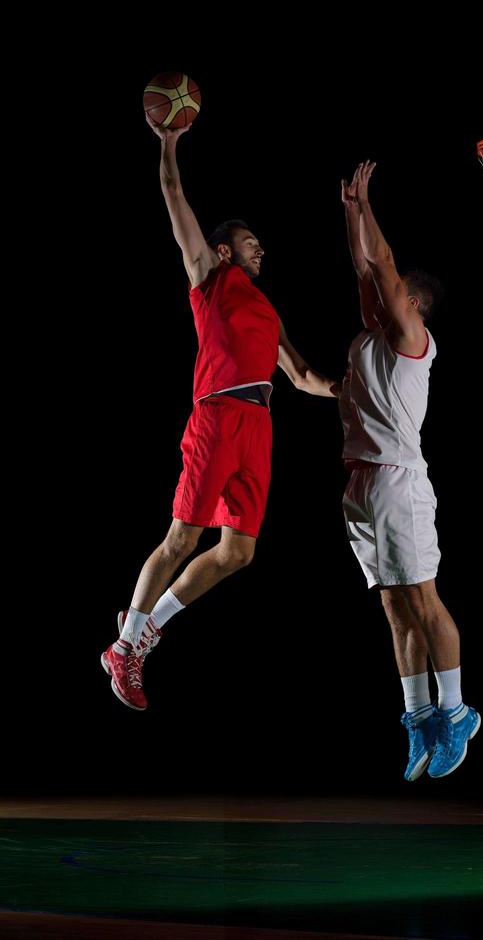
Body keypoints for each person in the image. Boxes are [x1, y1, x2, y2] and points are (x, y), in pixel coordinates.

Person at [101, 117, 339, 711]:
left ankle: (146, 628)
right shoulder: (210, 278)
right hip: (216, 417)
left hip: (259, 425)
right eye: (252, 240)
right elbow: (174, 195)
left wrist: (351, 389)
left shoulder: (268, 309)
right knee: (183, 535)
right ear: (226, 248)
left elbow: (304, 376)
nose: (263, 247)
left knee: (238, 551)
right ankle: (127, 647)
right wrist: (169, 144)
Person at [339, 161, 480, 780]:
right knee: (395, 609)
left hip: (399, 480)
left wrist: (369, 203)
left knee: (423, 599)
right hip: (363, 486)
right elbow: (365, 269)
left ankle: (457, 713)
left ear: (413, 303)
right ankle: (419, 719)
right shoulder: (372, 335)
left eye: (392, 290)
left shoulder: (412, 338)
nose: (374, 291)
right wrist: (349, 214)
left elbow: (383, 265)